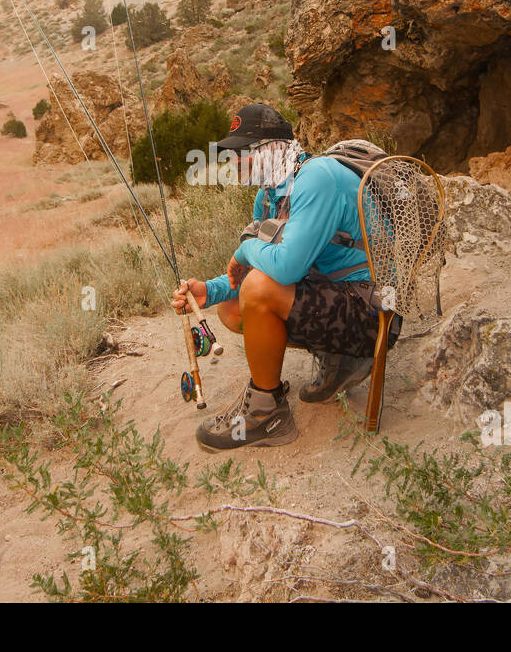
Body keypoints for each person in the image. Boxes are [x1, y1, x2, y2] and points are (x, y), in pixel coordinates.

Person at [171, 103, 400, 452]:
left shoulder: (317, 178)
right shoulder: (268, 195)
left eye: (240, 153)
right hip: (335, 296)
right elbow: (258, 269)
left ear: (268, 149)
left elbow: (285, 269)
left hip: (373, 313)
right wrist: (210, 292)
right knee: (231, 308)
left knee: (259, 291)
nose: (231, 163)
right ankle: (338, 359)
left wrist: (244, 250)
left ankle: (267, 414)